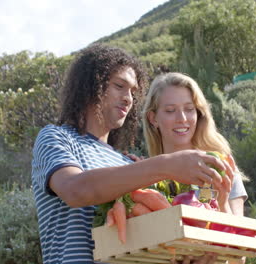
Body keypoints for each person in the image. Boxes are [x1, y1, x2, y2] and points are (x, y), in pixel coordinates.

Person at [31, 44, 233, 264]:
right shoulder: (56, 138)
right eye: (119, 86)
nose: (128, 98)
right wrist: (164, 165)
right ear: (92, 85)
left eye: (133, 92)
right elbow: (75, 190)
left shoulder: (127, 162)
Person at [142, 72, 248, 216]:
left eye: (189, 109)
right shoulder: (146, 177)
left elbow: (238, 233)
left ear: (198, 113)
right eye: (170, 110)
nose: (182, 118)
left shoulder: (218, 166)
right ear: (153, 118)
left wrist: (222, 203)